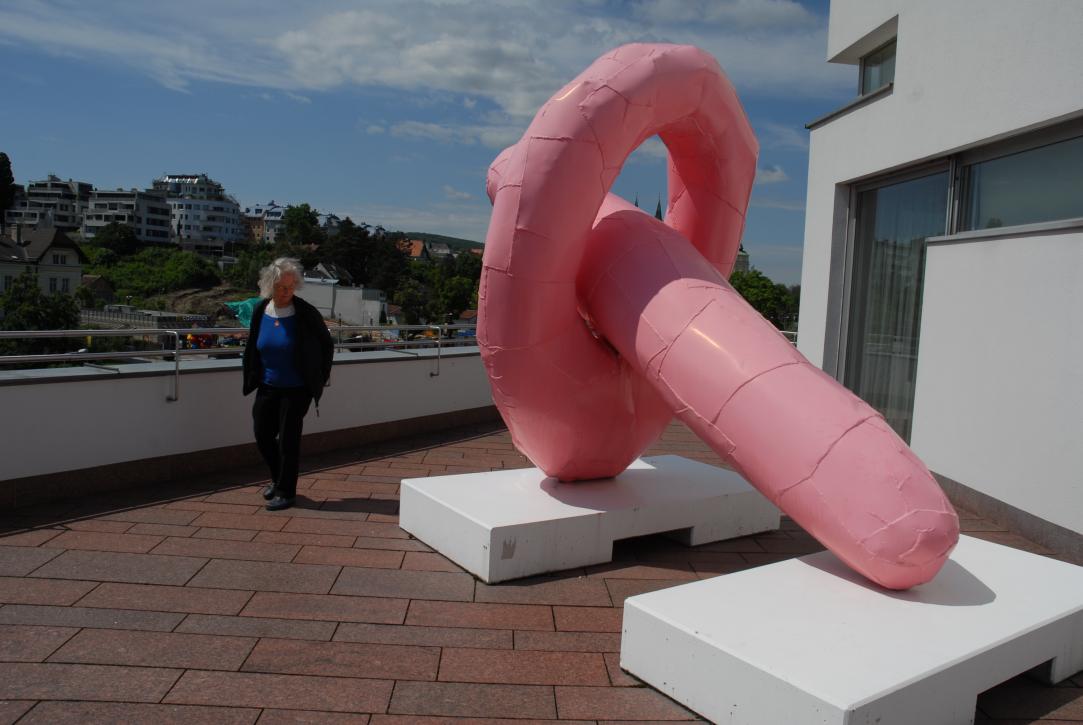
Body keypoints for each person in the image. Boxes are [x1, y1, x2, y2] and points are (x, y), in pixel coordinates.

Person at [242, 258, 333, 511]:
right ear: (269, 285)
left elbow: (326, 344)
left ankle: (286, 491)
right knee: (262, 434)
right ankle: (277, 478)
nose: (287, 292)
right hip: (268, 385)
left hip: (297, 389)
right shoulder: (261, 310)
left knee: (288, 441)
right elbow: (253, 345)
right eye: (282, 287)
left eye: (291, 287)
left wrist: (319, 377)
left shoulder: (305, 312)